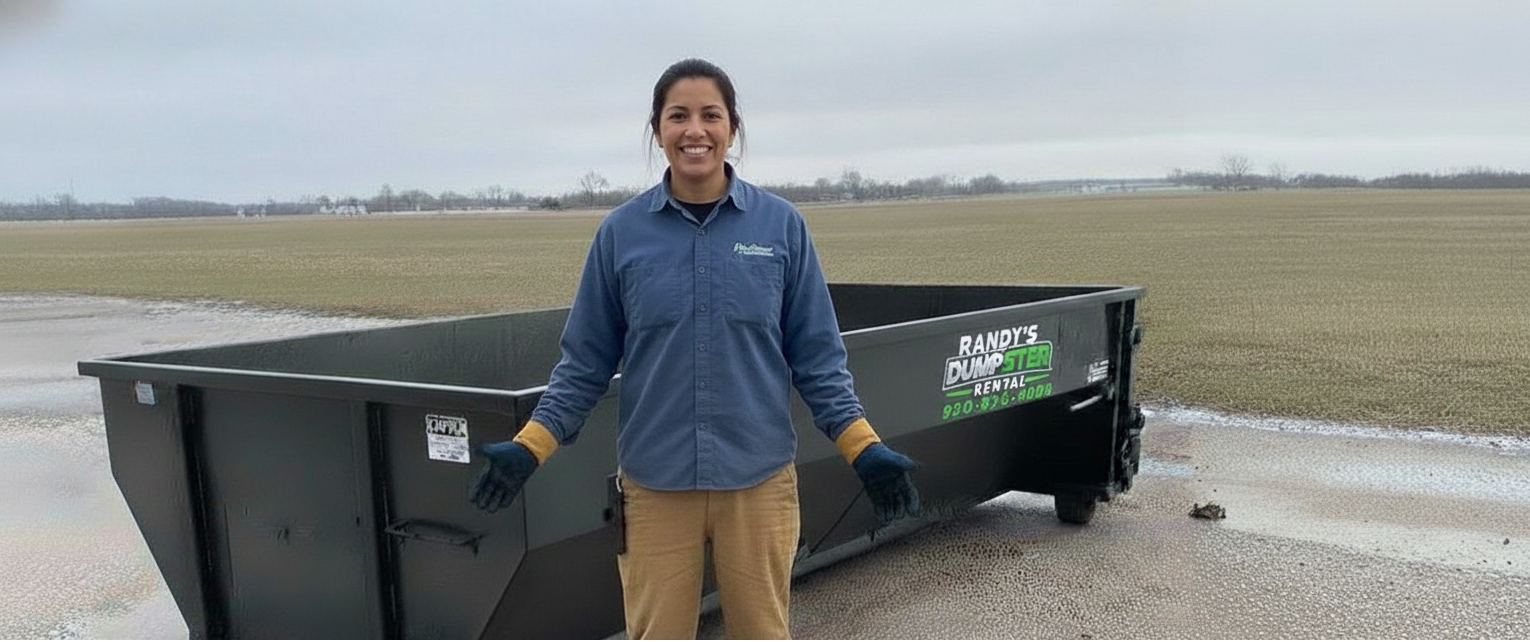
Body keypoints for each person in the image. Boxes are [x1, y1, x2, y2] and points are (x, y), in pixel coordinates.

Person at [469, 58, 920, 640]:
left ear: (732, 126)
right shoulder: (620, 235)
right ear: (657, 130)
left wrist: (864, 448)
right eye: (678, 116)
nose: (695, 130)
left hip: (758, 484)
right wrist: (530, 446)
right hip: (656, 487)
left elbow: (818, 360)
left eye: (711, 115)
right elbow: (584, 365)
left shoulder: (781, 228)